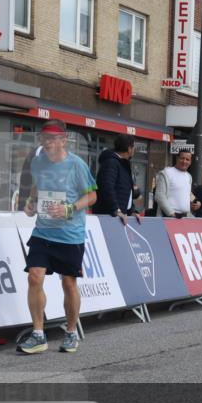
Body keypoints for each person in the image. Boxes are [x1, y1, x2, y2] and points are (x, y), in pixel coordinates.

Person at [19, 120, 97, 354]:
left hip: (70, 235)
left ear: (64, 140)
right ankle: (38, 334)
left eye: (53, 138)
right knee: (34, 277)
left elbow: (92, 196)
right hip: (43, 231)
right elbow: (37, 186)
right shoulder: (37, 162)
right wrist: (31, 202)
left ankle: (71, 332)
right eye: (45, 138)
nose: (48, 142)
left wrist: (69, 208)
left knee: (68, 282)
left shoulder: (77, 165)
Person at [92, 134, 142, 226]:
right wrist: (116, 210)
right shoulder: (111, 163)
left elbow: (126, 191)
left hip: (120, 218)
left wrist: (131, 211)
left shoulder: (123, 164)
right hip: (109, 218)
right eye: (133, 147)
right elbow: (107, 187)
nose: (134, 149)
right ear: (129, 149)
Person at [155, 149, 201, 218]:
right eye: (182, 158)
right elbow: (159, 196)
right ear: (177, 158)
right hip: (168, 218)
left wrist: (196, 202)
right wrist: (171, 213)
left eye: (187, 159)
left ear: (190, 162)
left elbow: (187, 193)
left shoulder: (188, 176)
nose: (184, 161)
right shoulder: (166, 173)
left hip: (184, 217)